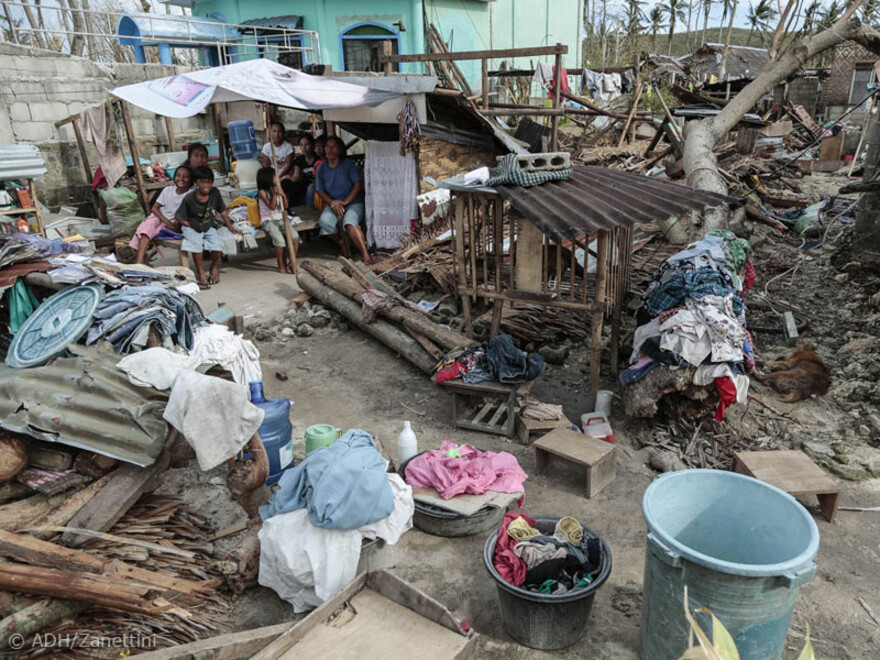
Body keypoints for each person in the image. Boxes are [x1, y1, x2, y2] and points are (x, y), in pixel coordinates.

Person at [176, 165, 237, 289]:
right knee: (196, 245)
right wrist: (192, 226)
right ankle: (200, 272)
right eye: (202, 182)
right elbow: (180, 218)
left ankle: (213, 267)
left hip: (208, 225)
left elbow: (223, 211)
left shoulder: (215, 193)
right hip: (191, 226)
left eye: (208, 182)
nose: (206, 186)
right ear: (196, 182)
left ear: (212, 182)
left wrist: (230, 226)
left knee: (218, 245)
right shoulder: (189, 198)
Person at [315, 136, 371, 265]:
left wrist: (345, 202)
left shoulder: (347, 164)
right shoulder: (321, 168)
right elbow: (320, 190)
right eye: (327, 146)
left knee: (350, 223)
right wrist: (332, 202)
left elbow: (357, 185)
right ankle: (343, 242)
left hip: (353, 202)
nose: (329, 149)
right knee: (325, 222)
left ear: (339, 149)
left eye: (333, 147)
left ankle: (366, 256)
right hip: (334, 203)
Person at [129, 165, 192, 265]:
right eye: (178, 175)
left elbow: (187, 214)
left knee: (147, 231)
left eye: (185, 176)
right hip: (159, 217)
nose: (181, 179)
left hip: (174, 223)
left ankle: (141, 262)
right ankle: (140, 262)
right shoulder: (168, 190)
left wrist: (173, 223)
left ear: (190, 179)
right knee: (147, 227)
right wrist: (166, 220)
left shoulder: (191, 195)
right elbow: (155, 208)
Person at [257, 166, 299, 274]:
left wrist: (283, 195)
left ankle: (291, 261)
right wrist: (275, 194)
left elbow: (285, 205)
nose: (277, 177)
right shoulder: (263, 192)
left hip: (280, 218)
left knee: (295, 237)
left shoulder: (278, 188)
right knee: (280, 242)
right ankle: (280, 264)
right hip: (268, 220)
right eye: (274, 176)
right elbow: (271, 206)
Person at [259, 121, 296, 207]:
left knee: (286, 184)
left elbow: (288, 165)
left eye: (279, 132)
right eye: (274, 131)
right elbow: (266, 165)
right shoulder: (267, 147)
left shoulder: (288, 147)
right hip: (271, 176)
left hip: (283, 175)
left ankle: (288, 207)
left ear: (283, 133)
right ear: (271, 133)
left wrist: (279, 177)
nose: (277, 134)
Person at [291, 134, 319, 207]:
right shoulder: (299, 160)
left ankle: (308, 209)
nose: (304, 148)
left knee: (310, 188)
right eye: (301, 145)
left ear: (312, 145)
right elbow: (296, 176)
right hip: (303, 184)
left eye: (307, 144)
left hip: (317, 184)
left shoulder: (318, 158)